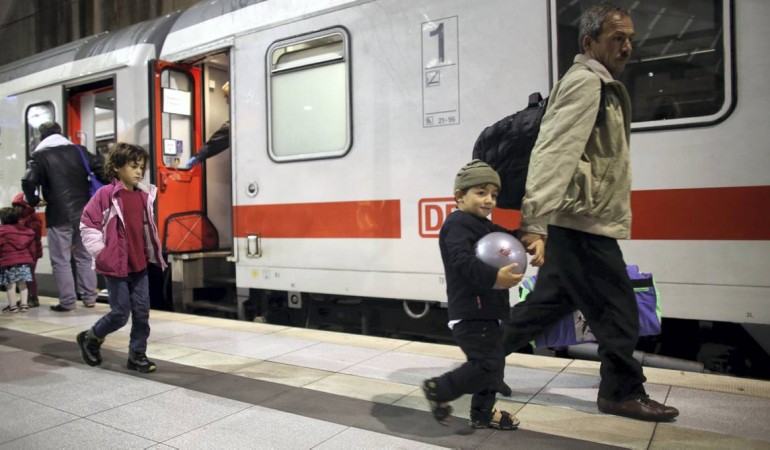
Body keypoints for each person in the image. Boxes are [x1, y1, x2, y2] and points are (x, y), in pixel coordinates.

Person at [503, 3, 679, 422]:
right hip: (582, 220)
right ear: (589, 42)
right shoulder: (586, 82)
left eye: (630, 38)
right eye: (617, 38)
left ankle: (478, 363)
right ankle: (620, 390)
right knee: (618, 308)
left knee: (545, 306)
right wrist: (534, 220)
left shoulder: (600, 83)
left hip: (578, 218)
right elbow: (553, 152)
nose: (627, 46)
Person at [422, 160, 541, 430]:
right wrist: (494, 277)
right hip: (471, 312)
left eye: (494, 195)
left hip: (490, 311)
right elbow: (461, 261)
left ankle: (482, 414)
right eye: (481, 192)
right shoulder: (457, 225)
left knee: (494, 368)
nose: (489, 200)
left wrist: (531, 239)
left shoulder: (484, 225)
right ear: (459, 196)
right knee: (486, 365)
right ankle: (439, 389)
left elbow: (509, 240)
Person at [77, 143, 166, 373]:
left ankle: (137, 354)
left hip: (139, 264)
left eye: (141, 167)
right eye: (134, 166)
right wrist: (101, 252)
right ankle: (92, 337)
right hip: (115, 265)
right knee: (119, 313)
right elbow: (88, 224)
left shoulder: (144, 195)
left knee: (141, 312)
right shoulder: (106, 195)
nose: (139, 172)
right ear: (116, 167)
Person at [21, 122, 109, 311]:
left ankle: (68, 302)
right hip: (85, 213)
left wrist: (35, 201)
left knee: (61, 260)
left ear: (41, 136)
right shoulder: (79, 151)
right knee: (84, 256)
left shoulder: (40, 156)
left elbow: (28, 180)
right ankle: (89, 297)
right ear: (61, 133)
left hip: (59, 215)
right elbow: (103, 171)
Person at [185, 81, 230, 168]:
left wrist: (198, 156)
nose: (226, 101)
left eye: (227, 97)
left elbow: (218, 140)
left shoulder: (239, 121)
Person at [0, 207, 36, 314]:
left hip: (8, 263)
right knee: (23, 284)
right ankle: (24, 305)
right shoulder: (25, 232)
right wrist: (32, 258)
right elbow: (32, 248)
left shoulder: (2, 232)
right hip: (23, 262)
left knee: (10, 285)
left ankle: (13, 307)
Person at [12, 193, 43, 307]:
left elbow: (33, 236)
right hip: (24, 251)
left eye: (19, 205)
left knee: (30, 275)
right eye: (15, 206)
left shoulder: (33, 218)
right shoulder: (20, 218)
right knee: (25, 275)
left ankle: (33, 298)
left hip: (31, 251)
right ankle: (26, 297)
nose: (16, 208)